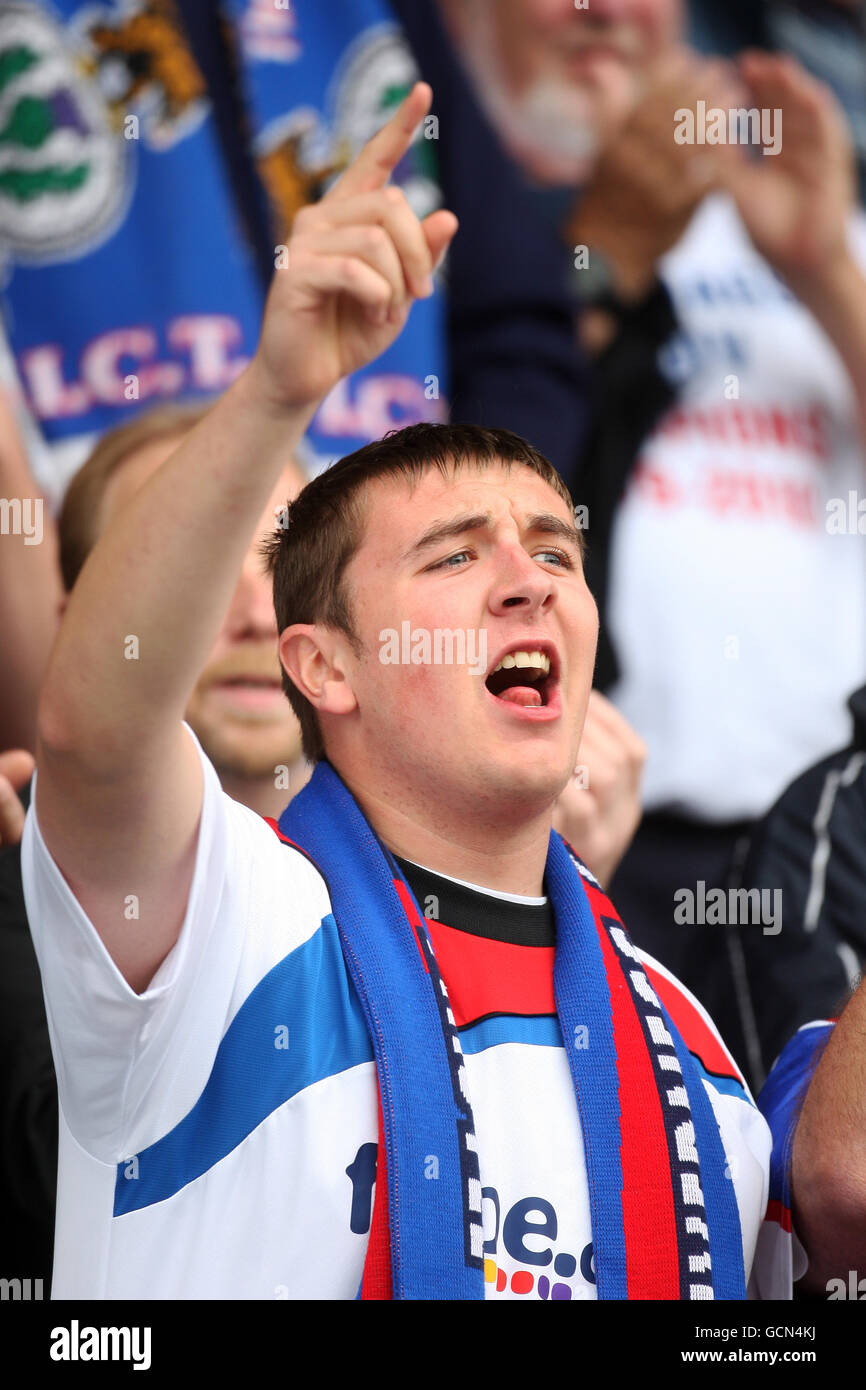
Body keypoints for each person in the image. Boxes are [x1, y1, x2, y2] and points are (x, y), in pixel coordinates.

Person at [22, 85, 774, 1301]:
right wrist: (276, 388)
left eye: (554, 550)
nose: (527, 583)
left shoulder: (695, 1052)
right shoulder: (221, 915)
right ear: (321, 664)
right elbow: (94, 729)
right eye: (455, 555)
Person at [437, 0, 866, 1084]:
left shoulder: (804, 194)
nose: (603, 9)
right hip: (586, 835)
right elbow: (444, 515)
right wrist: (602, 253)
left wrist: (823, 269)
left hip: (828, 839)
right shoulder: (445, 224)